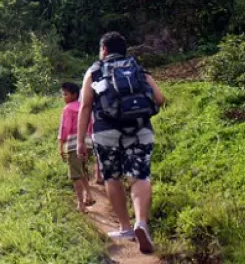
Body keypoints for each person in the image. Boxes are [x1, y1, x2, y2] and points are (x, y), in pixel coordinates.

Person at [77, 32, 165, 254]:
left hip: (106, 133)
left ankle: (125, 227)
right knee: (140, 176)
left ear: (104, 49)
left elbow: (85, 106)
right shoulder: (137, 69)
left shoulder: (94, 71)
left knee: (112, 176)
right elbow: (160, 98)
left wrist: (80, 141)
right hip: (140, 130)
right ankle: (141, 223)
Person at [58, 81, 96, 212]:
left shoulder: (68, 109)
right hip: (87, 143)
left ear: (74, 95)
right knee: (82, 170)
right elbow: (91, 125)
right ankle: (89, 195)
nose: (63, 97)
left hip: (74, 145)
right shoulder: (84, 107)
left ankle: (81, 204)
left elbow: (65, 128)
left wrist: (61, 145)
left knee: (76, 175)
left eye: (66, 94)